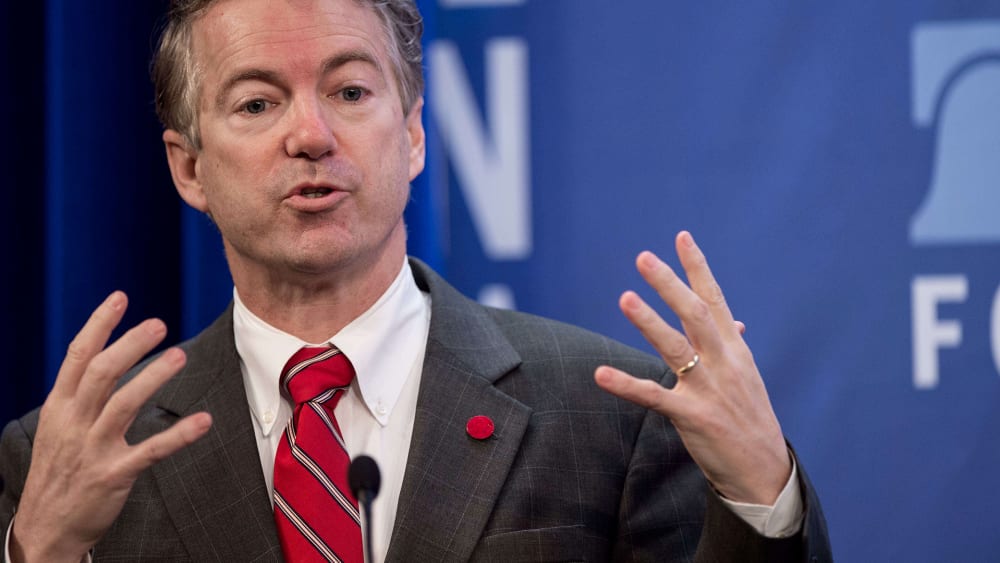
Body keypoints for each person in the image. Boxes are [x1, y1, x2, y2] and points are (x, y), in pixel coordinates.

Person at [0, 0, 832, 561]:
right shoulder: (77, 458)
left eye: (351, 90)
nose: (312, 135)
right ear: (189, 168)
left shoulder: (612, 415)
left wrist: (763, 492)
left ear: (414, 135)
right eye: (257, 104)